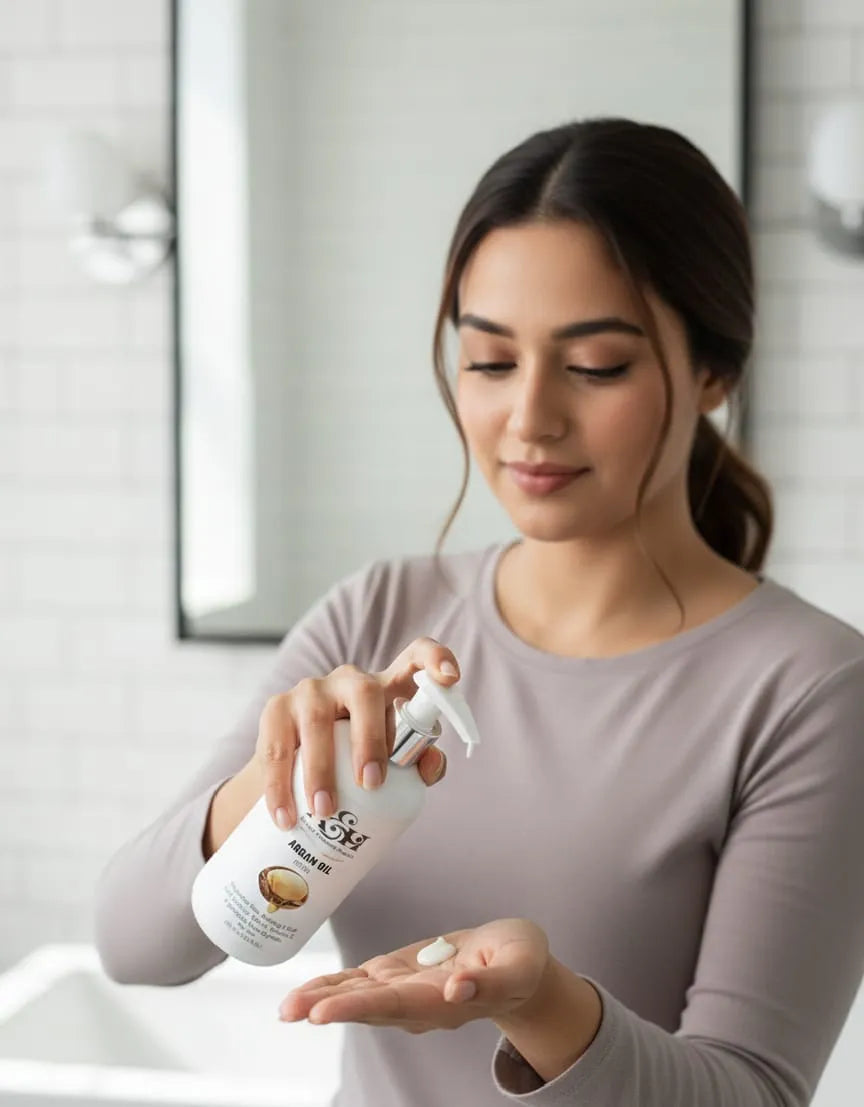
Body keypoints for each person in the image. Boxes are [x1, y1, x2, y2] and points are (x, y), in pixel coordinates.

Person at [94, 118, 864, 1107]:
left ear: (714, 370)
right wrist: (262, 786)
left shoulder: (810, 691)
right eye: (491, 361)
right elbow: (133, 947)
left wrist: (541, 1005)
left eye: (595, 367)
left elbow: (751, 1093)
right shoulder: (376, 614)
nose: (530, 418)